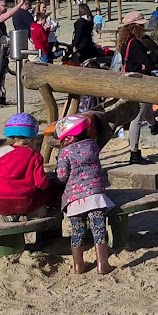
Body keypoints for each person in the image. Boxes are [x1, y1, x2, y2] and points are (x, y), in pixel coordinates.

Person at [54, 114, 115, 275]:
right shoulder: (93, 145)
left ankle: (78, 265)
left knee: (77, 231)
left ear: (69, 137)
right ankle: (103, 264)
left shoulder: (65, 153)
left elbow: (61, 176)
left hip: (75, 200)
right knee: (98, 229)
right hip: (95, 196)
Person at [0, 113, 58, 217]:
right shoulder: (34, 156)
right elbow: (41, 183)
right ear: (32, 137)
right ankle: (33, 213)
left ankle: (8, 215)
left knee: (6, 203)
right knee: (47, 194)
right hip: (24, 204)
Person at [117, 12, 156, 165]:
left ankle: (154, 125)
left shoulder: (124, 43)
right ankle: (134, 152)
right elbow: (148, 63)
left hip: (128, 81)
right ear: (136, 27)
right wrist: (152, 57)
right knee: (137, 117)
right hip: (139, 82)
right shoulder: (136, 44)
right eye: (141, 26)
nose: (144, 28)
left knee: (145, 109)